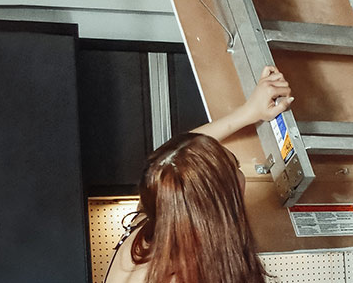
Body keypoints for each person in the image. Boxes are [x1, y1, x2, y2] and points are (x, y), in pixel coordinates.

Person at [105, 66, 294, 283]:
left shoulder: (150, 229)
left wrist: (250, 112)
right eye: (237, 169)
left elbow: (174, 160)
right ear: (221, 205)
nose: (242, 175)